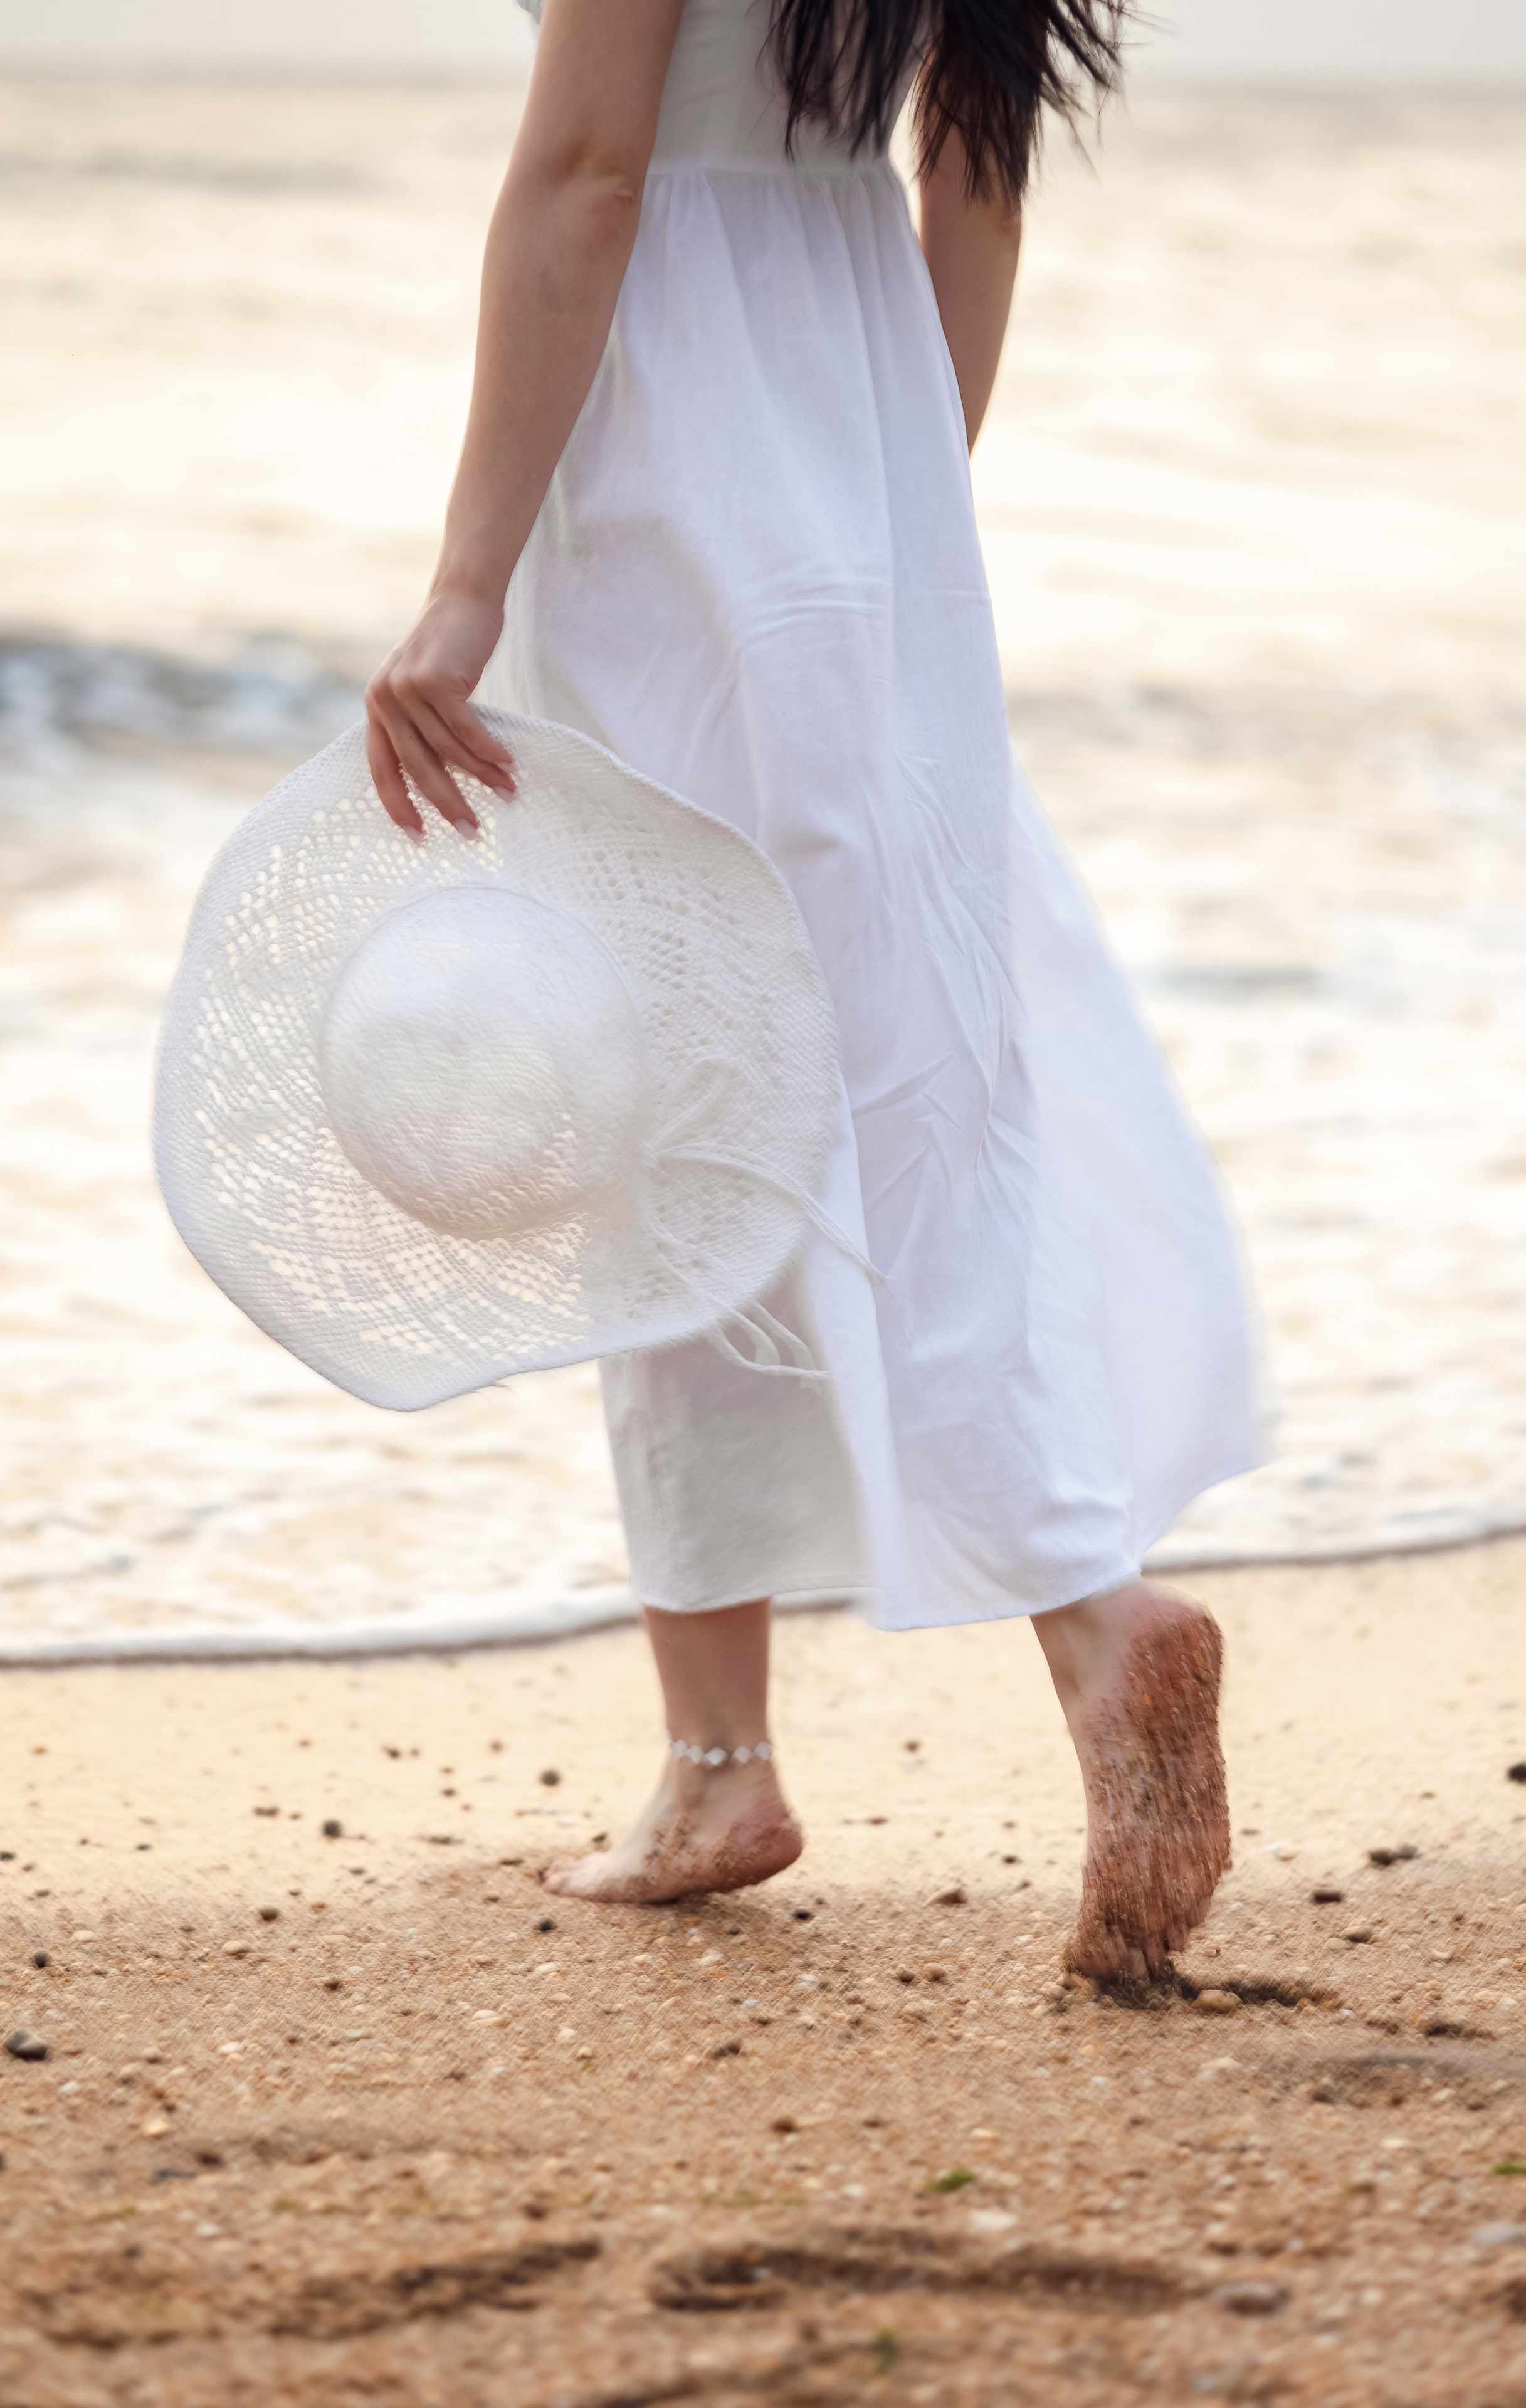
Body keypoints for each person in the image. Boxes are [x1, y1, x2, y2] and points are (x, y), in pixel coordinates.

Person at [363, 0, 1260, 1983]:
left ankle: (759, 1743)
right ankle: (1025, 1630)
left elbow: (591, 173)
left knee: (672, 1074)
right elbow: (979, 186)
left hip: (671, 443)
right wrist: (874, 503)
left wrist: (465, 577)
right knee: (913, 1057)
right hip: (860, 439)